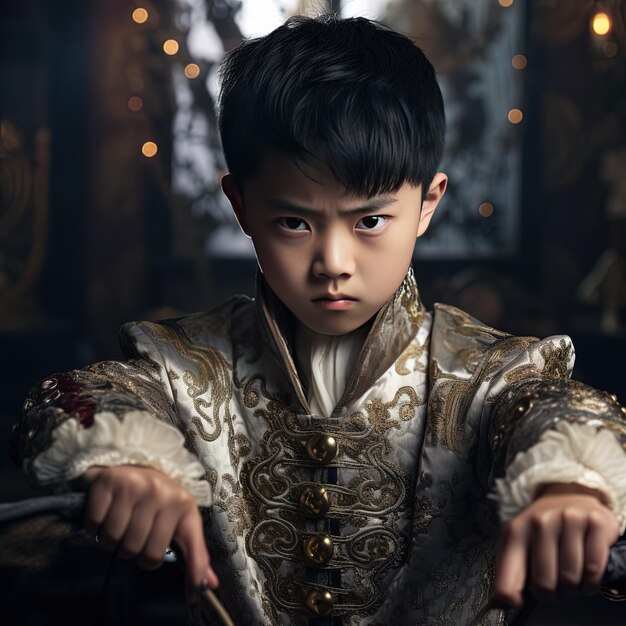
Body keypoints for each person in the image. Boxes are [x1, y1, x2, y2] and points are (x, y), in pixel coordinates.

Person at [9, 14, 626, 625]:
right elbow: (76, 397)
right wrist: (125, 458)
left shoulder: (489, 373)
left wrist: (574, 482)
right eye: (294, 223)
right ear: (242, 207)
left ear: (427, 204)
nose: (333, 263)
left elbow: (554, 409)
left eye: (369, 221)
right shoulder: (187, 364)